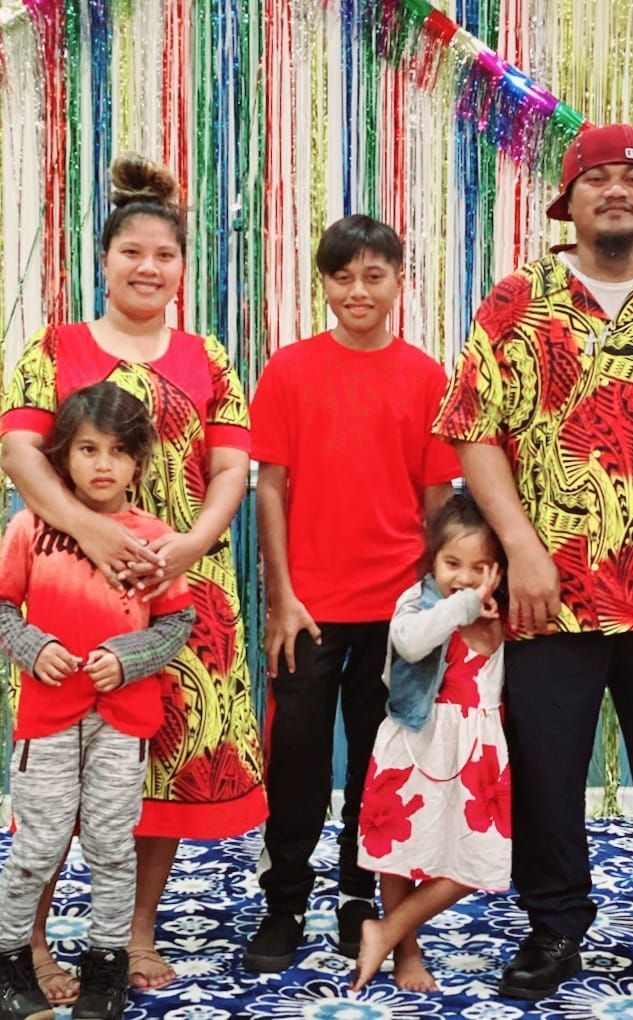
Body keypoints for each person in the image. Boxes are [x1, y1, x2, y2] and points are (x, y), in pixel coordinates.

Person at [433, 123, 633, 1014]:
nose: (614, 191)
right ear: (567, 200)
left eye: (632, 178)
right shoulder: (516, 301)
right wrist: (524, 550)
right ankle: (552, 930)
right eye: (596, 179)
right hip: (551, 595)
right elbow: (473, 430)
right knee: (545, 771)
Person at [0, 152, 266, 1001]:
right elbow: (17, 452)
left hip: (181, 600)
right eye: (132, 253)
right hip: (67, 594)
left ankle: (131, 934)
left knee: (162, 768)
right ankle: (30, 943)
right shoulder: (55, 349)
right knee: (57, 783)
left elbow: (231, 470)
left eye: (164, 255)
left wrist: (188, 544)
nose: (148, 268)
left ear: (181, 268)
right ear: (104, 262)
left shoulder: (209, 355)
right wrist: (86, 529)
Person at [246, 214, 460, 972]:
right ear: (324, 283)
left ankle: (356, 897)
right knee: (297, 760)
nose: (358, 290)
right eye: (343, 276)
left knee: (379, 764)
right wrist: (281, 598)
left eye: (375, 275)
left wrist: (431, 606)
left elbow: (437, 504)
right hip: (306, 609)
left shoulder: (425, 376)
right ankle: (285, 903)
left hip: (398, 612)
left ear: (400, 282)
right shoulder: (289, 370)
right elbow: (268, 488)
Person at [0, 383, 195, 1020]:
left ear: (138, 461)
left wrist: (128, 658)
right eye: (87, 449)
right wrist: (32, 646)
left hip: (123, 722)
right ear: (63, 456)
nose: (103, 464)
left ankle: (105, 966)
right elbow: (3, 609)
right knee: (38, 846)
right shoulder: (31, 527)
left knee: (113, 844)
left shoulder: (154, 539)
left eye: (117, 450)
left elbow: (175, 625)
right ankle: (11, 963)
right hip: (48, 718)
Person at [351, 493, 510, 993]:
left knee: (480, 860)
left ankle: (386, 928)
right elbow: (411, 642)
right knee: (401, 850)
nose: (463, 577)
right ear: (432, 561)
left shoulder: (504, 610)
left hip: (478, 749)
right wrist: (461, 605)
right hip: (417, 738)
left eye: (479, 566)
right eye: (451, 563)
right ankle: (407, 952)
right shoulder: (419, 602)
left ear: (499, 569)